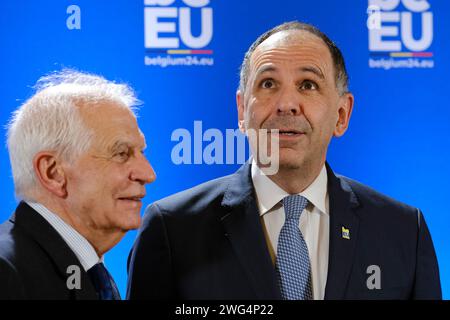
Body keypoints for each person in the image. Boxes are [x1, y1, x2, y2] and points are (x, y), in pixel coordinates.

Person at [126, 21, 441, 300]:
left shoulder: (403, 231)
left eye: (308, 85)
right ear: (241, 110)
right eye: (268, 84)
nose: (287, 104)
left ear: (342, 115)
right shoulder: (171, 229)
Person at [0, 70, 156, 299]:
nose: (148, 174)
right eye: (121, 153)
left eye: (141, 152)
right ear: (53, 173)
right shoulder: (5, 274)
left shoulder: (92, 274)